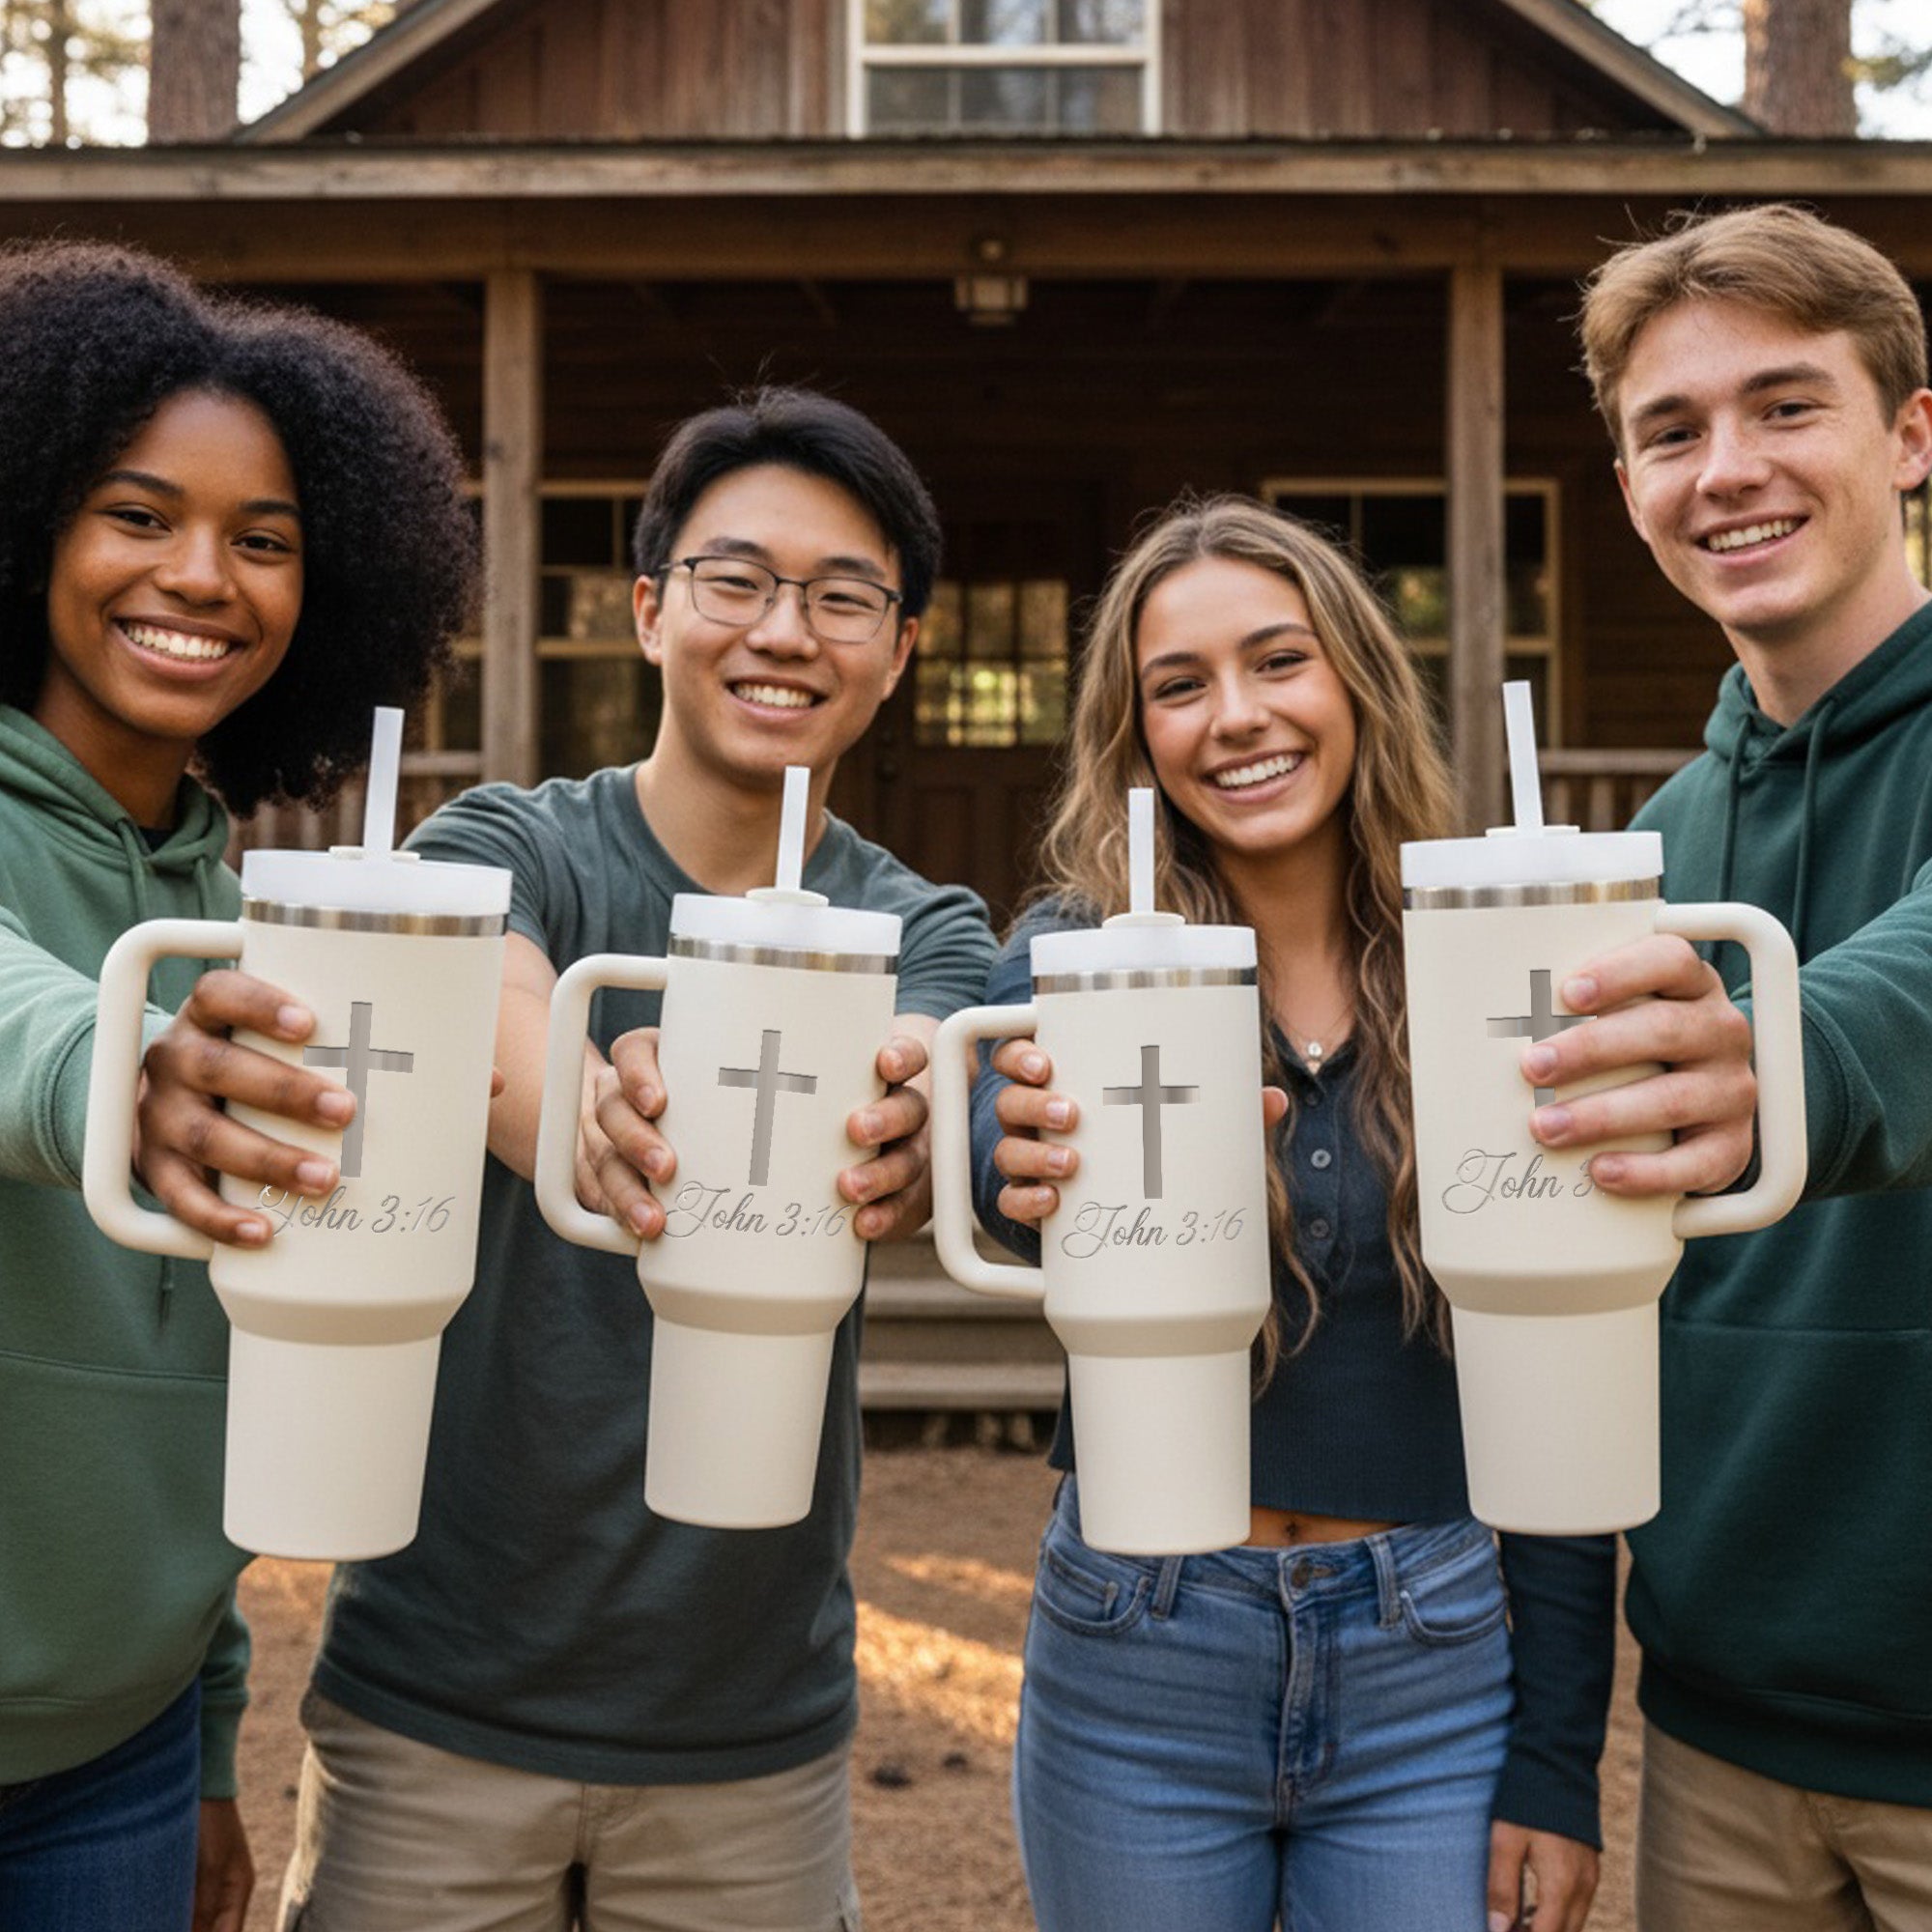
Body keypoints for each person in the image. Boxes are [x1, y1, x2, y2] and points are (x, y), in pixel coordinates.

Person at [187, 386, 996, 1930]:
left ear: (900, 651)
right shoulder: (508, 847)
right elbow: (487, 1009)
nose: (784, 631)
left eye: (843, 598)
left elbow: (917, 1080)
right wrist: (587, 1111)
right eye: (735, 580)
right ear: (647, 610)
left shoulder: (927, 927)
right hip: (434, 1696)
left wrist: (902, 1136)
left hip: (750, 1724)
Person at [969, 495, 1760, 1932]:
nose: (1236, 716)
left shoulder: (1495, 961)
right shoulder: (1085, 956)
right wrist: (1013, 1151)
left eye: (1280, 660)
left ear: (1356, 682)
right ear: (1134, 733)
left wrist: (1555, 1762)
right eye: (1179, 684)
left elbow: (1549, 1381)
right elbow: (1006, 1132)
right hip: (1139, 1649)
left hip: (1429, 1659)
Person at [0, 239, 475, 1931]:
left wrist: (203, 1744)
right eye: (137, 515)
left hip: (115, 1765)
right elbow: (26, 1016)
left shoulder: (244, 916)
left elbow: (206, 1375)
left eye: (264, 541)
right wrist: (113, 1064)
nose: (202, 577)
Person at [1562, 202, 1932, 1931]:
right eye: (1672, 431)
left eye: (1786, 406)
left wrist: (1789, 1056)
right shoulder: (1654, 845)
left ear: (1910, 436)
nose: (1727, 470)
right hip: (1715, 1733)